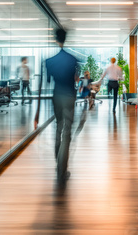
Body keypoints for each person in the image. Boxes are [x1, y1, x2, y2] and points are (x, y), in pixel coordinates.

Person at [34, 29, 79, 187]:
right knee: (67, 133)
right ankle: (62, 169)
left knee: (58, 130)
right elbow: (75, 80)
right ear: (65, 39)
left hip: (57, 97)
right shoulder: (73, 59)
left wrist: (37, 113)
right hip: (69, 97)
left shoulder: (49, 61)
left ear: (55, 39)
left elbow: (45, 83)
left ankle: (58, 167)